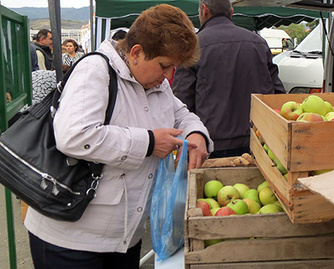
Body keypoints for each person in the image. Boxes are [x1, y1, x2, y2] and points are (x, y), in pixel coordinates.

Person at [24, 4, 213, 268]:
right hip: (71, 241)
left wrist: (197, 134)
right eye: (165, 66)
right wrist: (148, 143)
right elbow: (74, 136)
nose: (169, 76)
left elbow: (182, 115)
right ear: (136, 52)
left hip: (123, 238)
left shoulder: (156, 84)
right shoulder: (96, 71)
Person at [172, 0, 285, 158]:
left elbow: (181, 100)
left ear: (204, 11)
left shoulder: (193, 46)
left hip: (209, 142)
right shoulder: (258, 43)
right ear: (231, 12)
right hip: (258, 140)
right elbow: (278, 94)